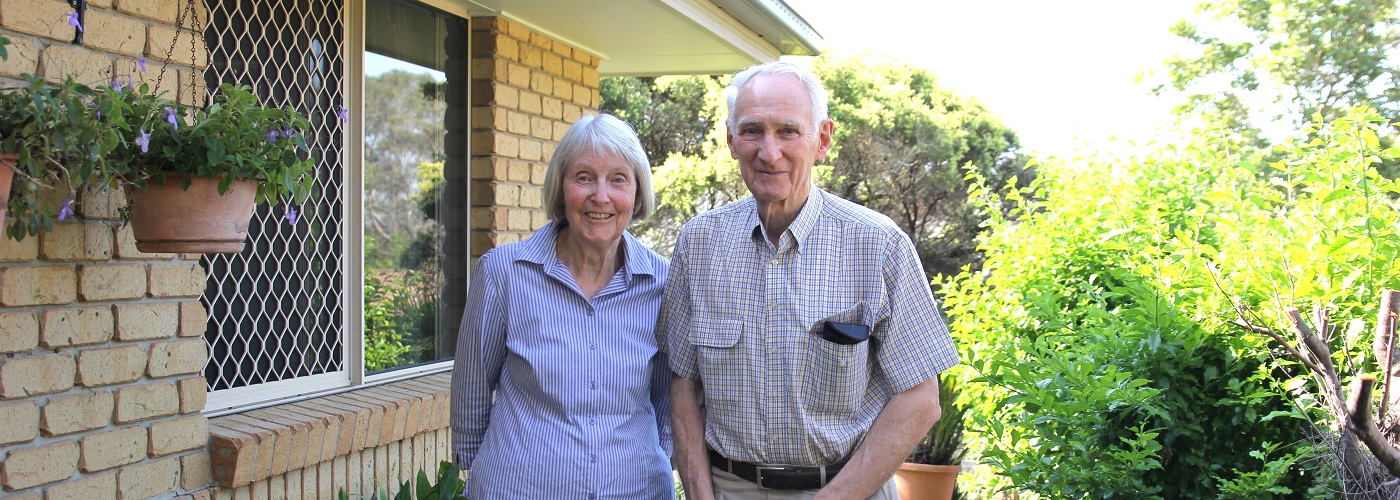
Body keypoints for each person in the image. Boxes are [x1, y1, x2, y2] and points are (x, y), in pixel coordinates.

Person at [657, 61, 960, 499]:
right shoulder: (698, 244)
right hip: (730, 490)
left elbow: (920, 401)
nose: (769, 152)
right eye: (752, 131)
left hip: (848, 489)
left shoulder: (879, 245)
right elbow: (683, 388)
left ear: (823, 139)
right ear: (731, 141)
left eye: (788, 131)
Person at [451, 113, 674, 499]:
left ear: (638, 193)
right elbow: (472, 386)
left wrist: (661, 459)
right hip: (518, 490)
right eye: (584, 177)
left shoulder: (663, 283)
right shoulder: (504, 273)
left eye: (618, 179)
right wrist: (474, 468)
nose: (600, 196)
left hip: (635, 490)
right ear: (560, 187)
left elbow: (669, 397)